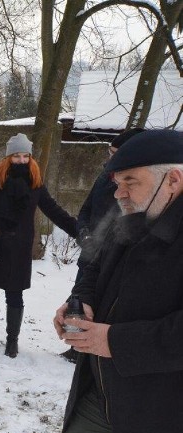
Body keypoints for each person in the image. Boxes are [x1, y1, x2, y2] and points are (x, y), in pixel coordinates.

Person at [17, 129, 183, 433]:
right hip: (107, 387)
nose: (119, 192)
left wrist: (113, 340)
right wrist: (80, 301)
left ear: (174, 181)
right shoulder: (131, 215)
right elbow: (93, 263)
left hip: (172, 403)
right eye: (117, 182)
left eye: (130, 182)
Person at [0, 133, 78, 357]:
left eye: (25, 156)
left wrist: (78, 230)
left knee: (14, 295)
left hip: (18, 248)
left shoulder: (35, 185)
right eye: (16, 156)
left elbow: (54, 211)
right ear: (8, 158)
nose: (21, 160)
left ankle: (12, 341)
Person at [60, 128, 144, 363]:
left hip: (111, 258)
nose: (110, 160)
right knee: (79, 301)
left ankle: (93, 352)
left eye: (116, 154)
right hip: (89, 253)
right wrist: (85, 233)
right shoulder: (103, 178)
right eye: (110, 153)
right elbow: (86, 209)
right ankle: (76, 346)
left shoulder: (139, 191)